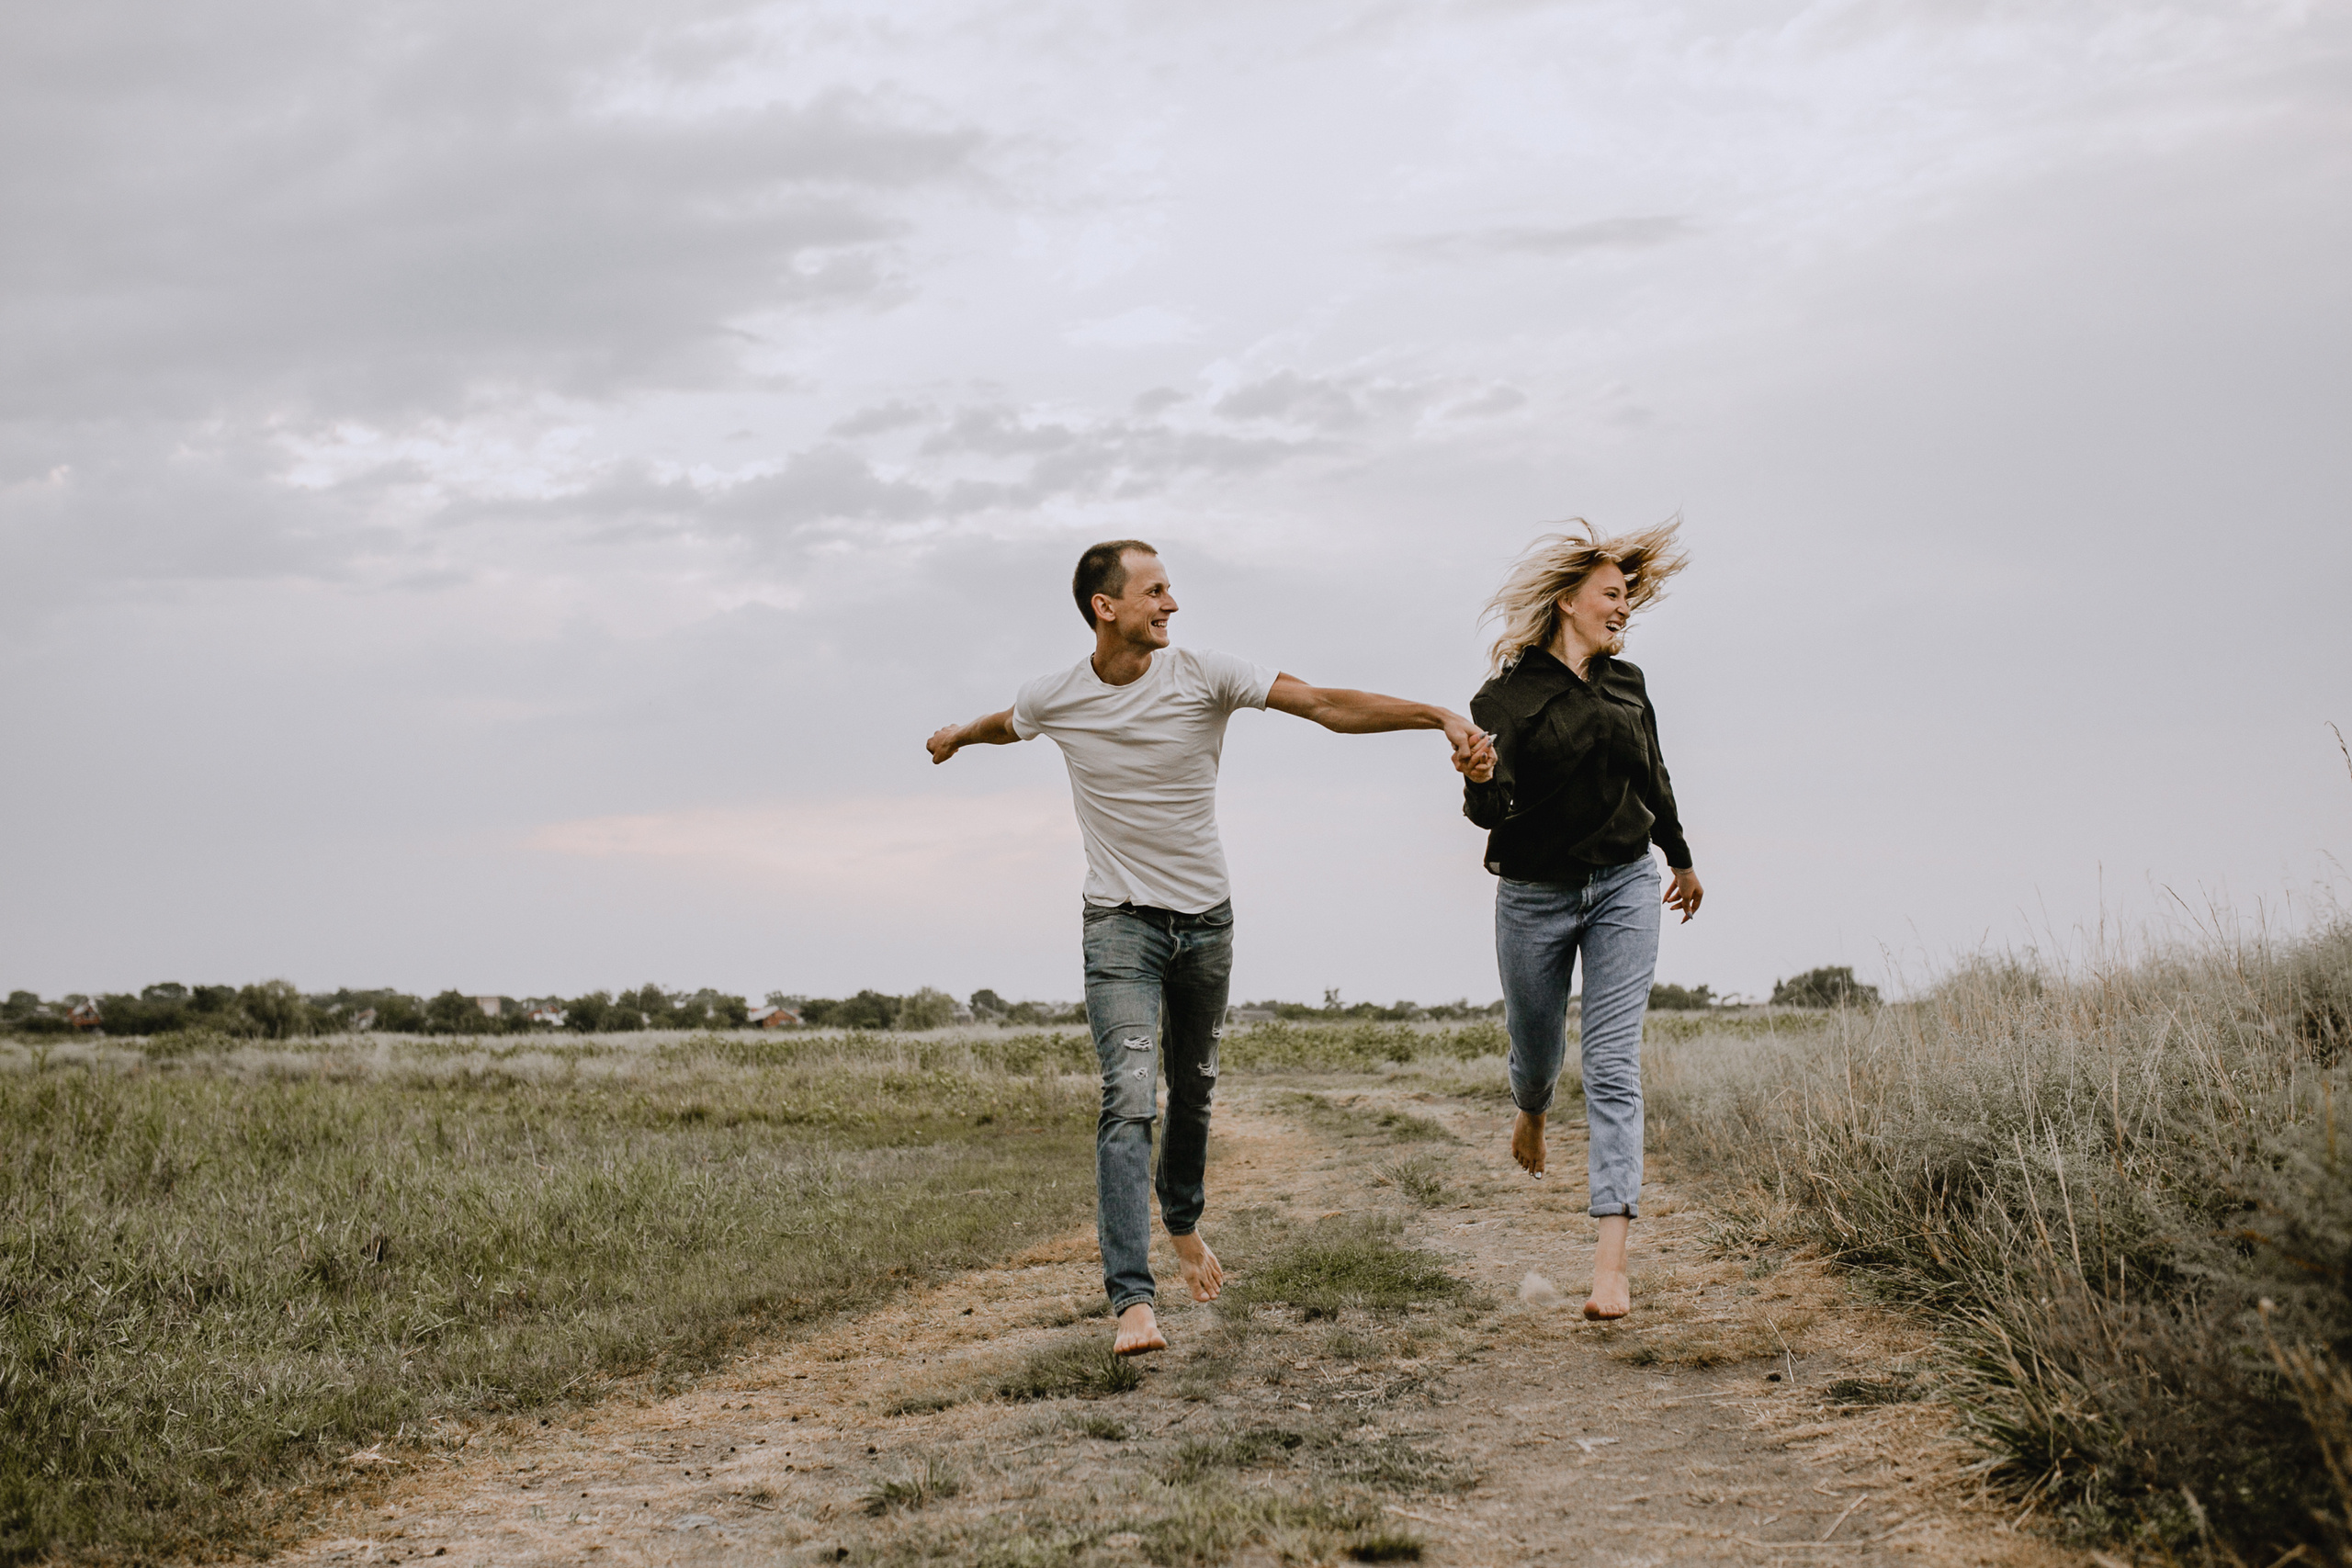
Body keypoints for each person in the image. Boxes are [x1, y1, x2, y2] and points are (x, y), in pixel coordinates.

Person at [927, 539, 1492, 1355]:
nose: (1173, 604)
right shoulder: (1055, 695)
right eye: (1156, 591)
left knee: (1192, 1089)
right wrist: (955, 737)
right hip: (1118, 922)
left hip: (1206, 922)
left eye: (1171, 589)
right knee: (1129, 1096)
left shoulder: (1206, 673)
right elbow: (1005, 724)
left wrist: (1439, 714)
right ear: (1105, 606)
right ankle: (1132, 1303)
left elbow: (1326, 703)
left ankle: (1182, 1220)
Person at [1460, 521, 1702, 1321]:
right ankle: (1530, 1107)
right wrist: (1480, 775)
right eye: (1611, 593)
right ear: (1568, 600)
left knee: (1610, 1065)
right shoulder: (1506, 698)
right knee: (1537, 1052)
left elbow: (1653, 774)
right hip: (1534, 892)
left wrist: (1680, 856)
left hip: (1625, 882)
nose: (1623, 606)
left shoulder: (1628, 684)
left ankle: (1610, 1267)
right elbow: (1490, 808)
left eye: (1629, 595)